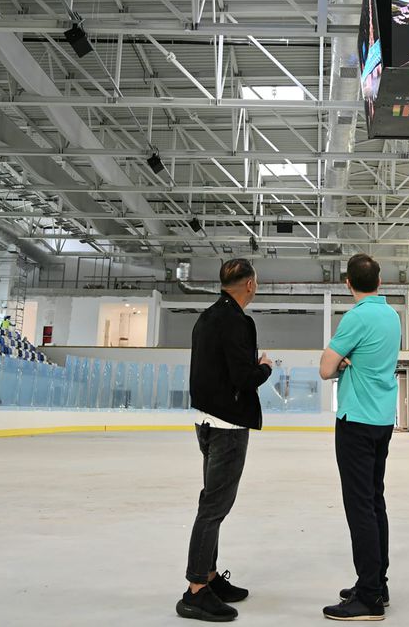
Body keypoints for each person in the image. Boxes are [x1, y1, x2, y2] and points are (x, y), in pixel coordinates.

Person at [177, 258, 274, 623]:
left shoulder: (207, 317)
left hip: (206, 421)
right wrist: (265, 366)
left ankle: (211, 577)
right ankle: (196, 590)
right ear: (250, 284)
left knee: (212, 503)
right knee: (214, 508)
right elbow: (244, 377)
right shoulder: (238, 322)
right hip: (227, 427)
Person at [319, 253, 400, 622]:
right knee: (375, 502)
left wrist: (343, 360)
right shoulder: (391, 316)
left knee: (359, 507)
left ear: (347, 283)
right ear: (380, 282)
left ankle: (368, 598)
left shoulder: (356, 317)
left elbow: (324, 369)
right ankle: (376, 583)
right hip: (382, 421)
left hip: (355, 421)